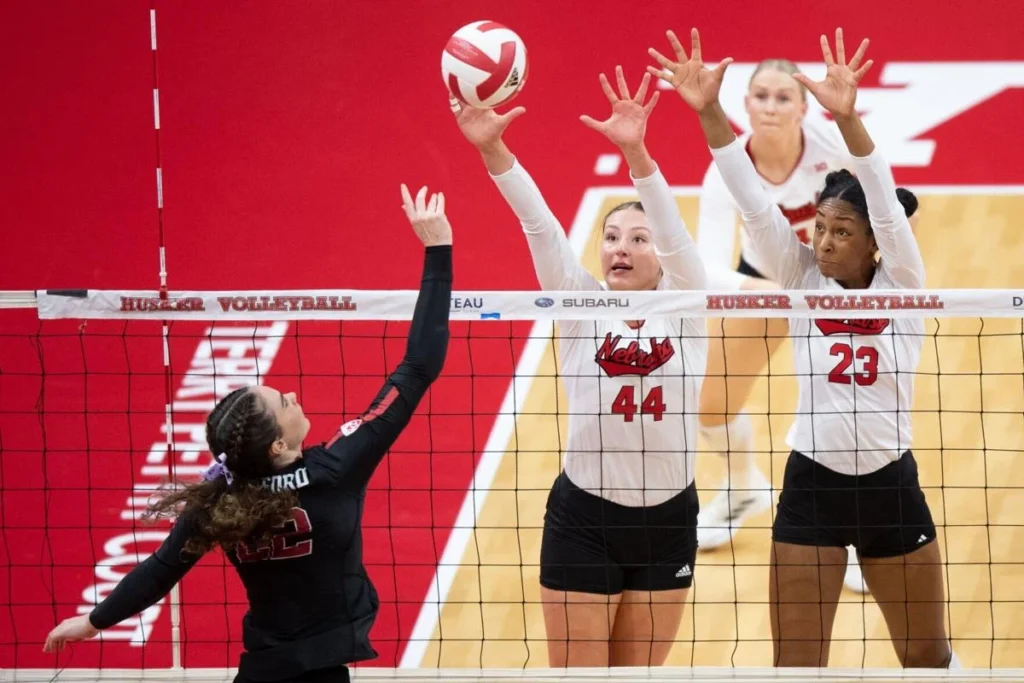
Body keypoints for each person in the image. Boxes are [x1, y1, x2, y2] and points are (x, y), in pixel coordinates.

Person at [43, 184, 455, 682]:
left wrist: (93, 621)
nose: (296, 397)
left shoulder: (218, 499)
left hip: (261, 670)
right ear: (278, 445)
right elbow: (417, 367)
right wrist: (438, 251)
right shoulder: (335, 469)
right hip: (322, 668)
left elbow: (160, 569)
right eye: (285, 403)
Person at [650, 27, 956, 667]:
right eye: (818, 227)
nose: (821, 241)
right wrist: (709, 112)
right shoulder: (798, 282)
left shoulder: (903, 280)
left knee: (929, 659)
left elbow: (883, 195)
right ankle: (742, 488)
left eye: (840, 231)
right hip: (810, 487)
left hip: (889, 488)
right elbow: (751, 202)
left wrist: (847, 117)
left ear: (875, 243)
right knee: (794, 667)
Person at [452, 68, 707, 668]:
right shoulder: (578, 303)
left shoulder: (688, 301)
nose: (621, 247)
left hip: (668, 522)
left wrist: (636, 152)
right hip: (583, 519)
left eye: (638, 240)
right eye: (611, 236)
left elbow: (674, 231)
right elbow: (538, 224)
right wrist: (493, 147)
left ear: (662, 256)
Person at [693, 57, 867, 595]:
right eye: (760, 96)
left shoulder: (832, 152)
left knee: (843, 419)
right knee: (710, 403)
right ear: (744, 104)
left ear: (803, 106)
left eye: (782, 97)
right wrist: (766, 294)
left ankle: (862, 537)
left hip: (836, 290)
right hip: (764, 287)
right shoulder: (726, 169)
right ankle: (743, 486)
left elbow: (880, 214)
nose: (770, 107)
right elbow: (707, 265)